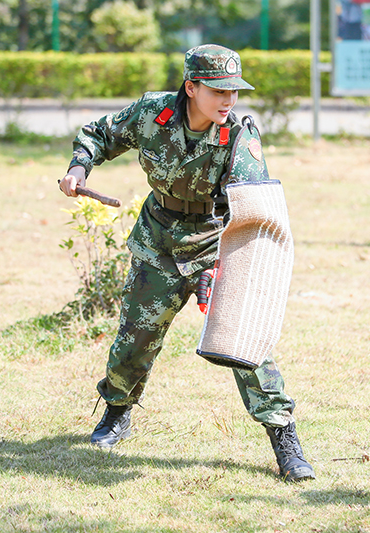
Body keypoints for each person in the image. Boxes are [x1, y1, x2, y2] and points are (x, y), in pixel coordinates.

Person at [58, 44, 315, 482]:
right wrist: (79, 168)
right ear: (191, 87)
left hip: (217, 244)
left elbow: (251, 211)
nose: (228, 100)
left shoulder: (239, 135)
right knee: (136, 337)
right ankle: (117, 413)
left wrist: (221, 270)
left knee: (246, 342)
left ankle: (284, 439)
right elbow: (100, 133)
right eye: (218, 90)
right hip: (158, 239)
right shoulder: (151, 113)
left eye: (234, 90)